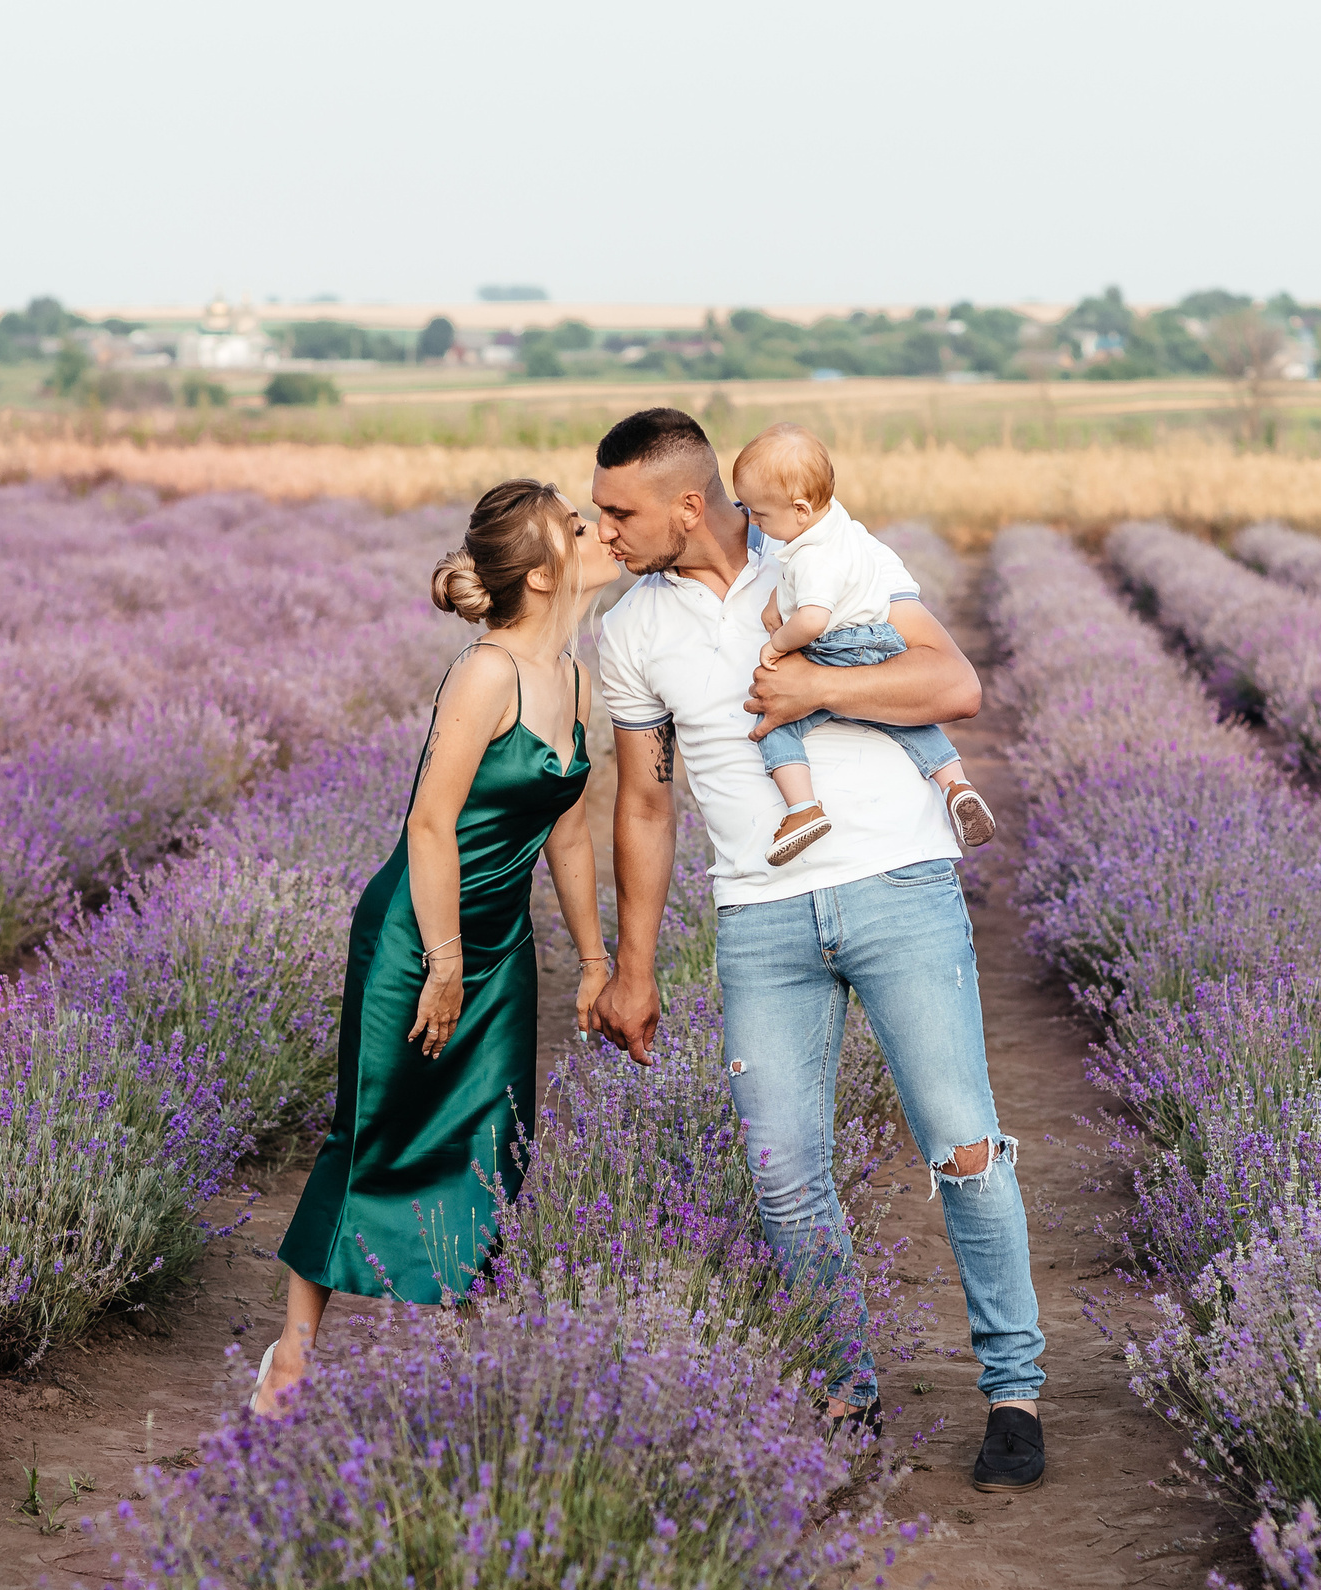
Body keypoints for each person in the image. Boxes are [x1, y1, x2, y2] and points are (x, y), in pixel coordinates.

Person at [589, 408, 1047, 1493]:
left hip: (897, 884)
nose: (602, 531)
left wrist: (816, 686)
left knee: (963, 1146)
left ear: (686, 504)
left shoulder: (830, 556)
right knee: (784, 1173)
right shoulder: (628, 628)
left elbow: (953, 685)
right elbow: (645, 804)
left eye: (619, 511)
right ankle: (846, 1385)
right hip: (758, 915)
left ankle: (1013, 1390)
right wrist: (632, 964)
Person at [253, 478, 617, 1416]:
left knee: (487, 1145)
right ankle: (291, 1354)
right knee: (373, 1127)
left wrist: (596, 959)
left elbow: (568, 833)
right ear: (541, 575)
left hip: (499, 945)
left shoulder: (574, 676)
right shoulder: (486, 671)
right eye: (579, 527)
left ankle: (451, 1355)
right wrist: (442, 963)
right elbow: (430, 823)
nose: (599, 531)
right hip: (419, 934)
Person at [731, 422, 997, 866]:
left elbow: (813, 618)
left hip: (838, 644)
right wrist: (778, 597)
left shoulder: (810, 557)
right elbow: (798, 568)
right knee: (906, 720)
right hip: (880, 638)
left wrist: (777, 643)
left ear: (799, 508)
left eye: (758, 513)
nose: (751, 520)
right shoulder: (837, 522)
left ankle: (803, 810)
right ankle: (956, 784)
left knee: (776, 722)